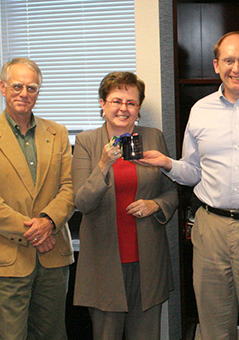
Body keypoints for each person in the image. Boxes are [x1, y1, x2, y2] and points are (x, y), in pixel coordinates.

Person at [137, 32, 239, 339]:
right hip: (209, 231)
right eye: (228, 60)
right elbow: (194, 172)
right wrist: (167, 164)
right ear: (216, 65)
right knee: (213, 328)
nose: (235, 68)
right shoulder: (200, 110)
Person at [0, 58, 75, 339]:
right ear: (3, 88)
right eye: (17, 86)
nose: (24, 93)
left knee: (52, 334)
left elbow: (69, 188)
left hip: (53, 258)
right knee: (9, 336)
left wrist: (49, 222)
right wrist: (36, 232)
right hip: (7, 258)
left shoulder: (58, 133)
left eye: (32, 87)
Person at [71, 72, 178, 340]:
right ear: (102, 104)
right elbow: (82, 202)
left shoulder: (153, 137)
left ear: (139, 109)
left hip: (148, 260)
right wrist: (103, 165)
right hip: (104, 262)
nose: (123, 108)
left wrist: (155, 204)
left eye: (131, 102)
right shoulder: (86, 142)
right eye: (116, 100)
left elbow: (173, 192)